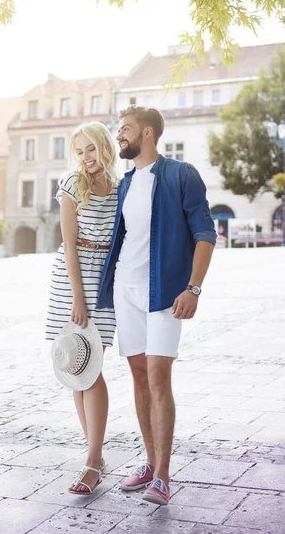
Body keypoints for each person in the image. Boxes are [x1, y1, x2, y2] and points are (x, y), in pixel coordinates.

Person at [97, 105, 217, 506]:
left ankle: (163, 477)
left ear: (147, 133)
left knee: (158, 376)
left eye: (125, 130)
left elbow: (204, 233)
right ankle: (149, 462)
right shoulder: (125, 184)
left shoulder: (181, 175)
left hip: (165, 292)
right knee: (137, 374)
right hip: (125, 291)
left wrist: (193, 288)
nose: (120, 137)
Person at [45, 121, 118, 495]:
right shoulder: (72, 184)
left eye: (91, 149)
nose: (86, 157)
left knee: (93, 369)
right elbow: (69, 244)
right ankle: (95, 456)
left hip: (103, 280)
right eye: (80, 151)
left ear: (104, 147)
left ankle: (93, 459)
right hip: (72, 280)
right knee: (77, 367)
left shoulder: (120, 188)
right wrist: (77, 297)